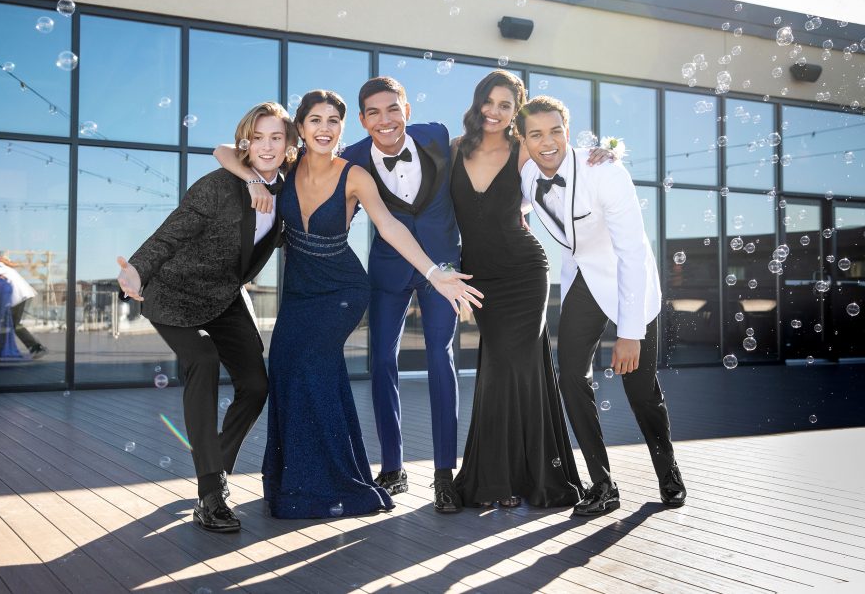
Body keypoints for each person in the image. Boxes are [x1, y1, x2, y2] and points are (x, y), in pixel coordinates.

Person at [214, 90, 482, 519]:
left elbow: (390, 226)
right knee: (284, 369)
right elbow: (224, 150)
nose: (324, 128)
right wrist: (250, 181)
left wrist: (434, 273)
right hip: (300, 290)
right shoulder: (284, 163)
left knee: (313, 366)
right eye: (315, 120)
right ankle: (293, 480)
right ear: (299, 129)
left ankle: (336, 479)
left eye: (333, 121)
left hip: (342, 289)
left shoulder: (355, 174)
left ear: (343, 127)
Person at [117, 101, 296, 533]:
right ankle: (211, 493)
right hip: (174, 291)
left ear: (290, 144)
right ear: (246, 142)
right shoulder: (217, 186)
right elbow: (172, 231)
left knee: (256, 386)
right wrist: (136, 269)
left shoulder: (289, 190)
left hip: (226, 298)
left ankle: (214, 462)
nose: (267, 146)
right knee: (202, 360)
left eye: (276, 137)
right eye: (258, 137)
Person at [516, 95, 686, 516]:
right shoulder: (525, 177)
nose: (548, 142)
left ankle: (669, 475)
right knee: (570, 374)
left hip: (632, 280)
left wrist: (630, 333)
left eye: (556, 131)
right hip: (587, 279)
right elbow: (519, 207)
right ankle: (603, 485)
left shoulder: (604, 170)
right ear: (523, 140)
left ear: (567, 132)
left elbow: (631, 251)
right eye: (535, 134)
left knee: (641, 390)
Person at [449, 70, 589, 509]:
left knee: (515, 366)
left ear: (516, 110)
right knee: (497, 368)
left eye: (505, 105)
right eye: (488, 102)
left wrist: (599, 155)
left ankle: (526, 479)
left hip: (524, 272)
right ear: (477, 103)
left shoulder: (523, 150)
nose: (494, 111)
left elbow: (564, 162)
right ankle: (497, 479)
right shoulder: (454, 149)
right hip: (480, 277)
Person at [339, 77, 463, 512]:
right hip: (389, 272)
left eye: (393, 109)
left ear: (406, 111)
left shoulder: (439, 136)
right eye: (373, 112)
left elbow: (495, 152)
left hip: (442, 269)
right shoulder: (351, 158)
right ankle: (393, 467)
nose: (385, 119)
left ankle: (445, 473)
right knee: (380, 363)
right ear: (362, 120)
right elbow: (332, 212)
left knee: (439, 358)